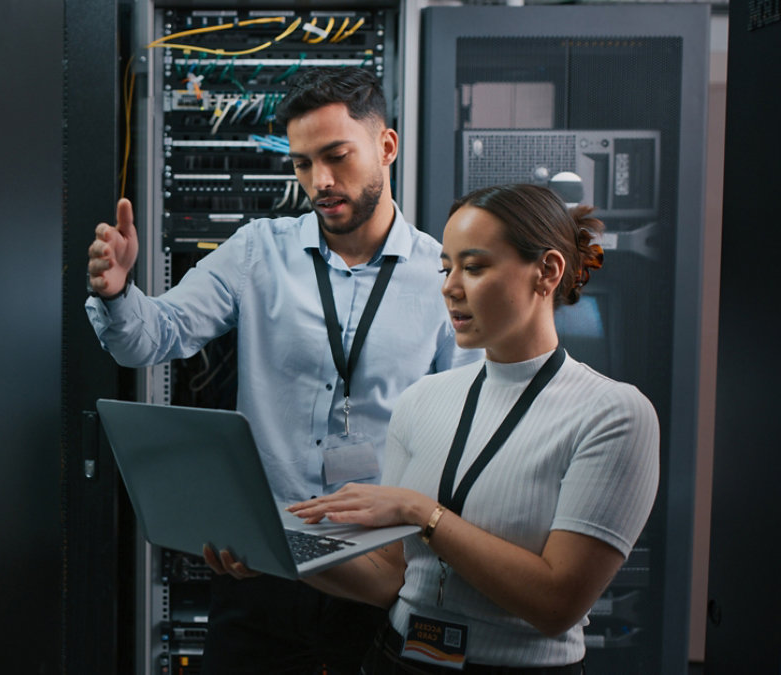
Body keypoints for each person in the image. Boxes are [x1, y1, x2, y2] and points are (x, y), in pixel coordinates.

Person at [86, 66, 480, 674]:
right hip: (260, 569)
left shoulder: (442, 276)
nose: (319, 181)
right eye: (301, 164)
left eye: (336, 156)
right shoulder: (256, 251)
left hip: (380, 575)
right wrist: (118, 293)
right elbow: (151, 338)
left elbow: (468, 431)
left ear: (387, 146)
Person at [236, 183, 660, 674]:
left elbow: (556, 604)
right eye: (446, 267)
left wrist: (422, 513)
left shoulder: (613, 414)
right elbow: (389, 579)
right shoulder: (422, 399)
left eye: (474, 267)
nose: (450, 287)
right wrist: (276, 550)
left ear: (547, 271)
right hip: (396, 659)